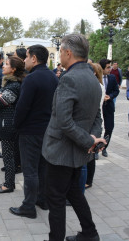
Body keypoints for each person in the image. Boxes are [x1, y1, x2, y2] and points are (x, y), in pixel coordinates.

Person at [42, 33, 105, 241]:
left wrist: (90, 141)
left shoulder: (69, 78)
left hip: (61, 153)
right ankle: (90, 233)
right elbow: (97, 116)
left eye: (60, 51)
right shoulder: (93, 79)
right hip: (79, 153)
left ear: (68, 53)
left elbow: (64, 121)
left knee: (56, 200)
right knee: (74, 194)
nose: (59, 55)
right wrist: (93, 138)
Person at [9, 44, 58, 219]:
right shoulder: (53, 77)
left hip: (30, 131)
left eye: (27, 57)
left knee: (30, 170)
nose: (24, 60)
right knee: (42, 167)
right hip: (47, 130)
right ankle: (42, 199)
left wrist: (16, 125)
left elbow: (22, 107)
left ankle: (28, 206)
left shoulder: (31, 78)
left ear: (34, 58)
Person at [0, 56, 25, 193]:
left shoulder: (14, 86)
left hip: (8, 125)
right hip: (6, 123)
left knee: (8, 155)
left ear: (13, 69)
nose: (3, 66)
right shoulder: (9, 84)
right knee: (9, 155)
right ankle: (8, 182)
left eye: (6, 64)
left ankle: (9, 184)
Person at [86, 63, 106, 189]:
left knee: (90, 155)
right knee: (90, 154)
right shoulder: (97, 85)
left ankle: (89, 180)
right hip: (95, 120)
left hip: (94, 121)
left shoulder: (96, 86)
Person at [99, 58, 120, 157]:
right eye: (107, 67)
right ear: (102, 68)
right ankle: (96, 148)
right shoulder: (96, 77)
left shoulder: (112, 78)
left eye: (110, 67)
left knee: (109, 128)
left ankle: (104, 148)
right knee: (97, 128)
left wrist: (110, 96)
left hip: (109, 107)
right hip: (98, 107)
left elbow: (116, 91)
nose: (110, 69)